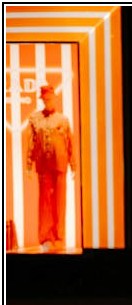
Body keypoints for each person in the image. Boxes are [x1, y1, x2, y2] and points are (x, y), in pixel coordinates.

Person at [25, 84, 77, 252]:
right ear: (42, 100)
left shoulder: (63, 119)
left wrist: (73, 164)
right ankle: (46, 237)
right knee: (45, 202)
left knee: (59, 202)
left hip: (60, 164)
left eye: (50, 98)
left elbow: (70, 143)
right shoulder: (35, 118)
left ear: (54, 98)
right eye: (45, 99)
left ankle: (59, 237)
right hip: (44, 165)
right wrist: (28, 164)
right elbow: (31, 143)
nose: (47, 101)